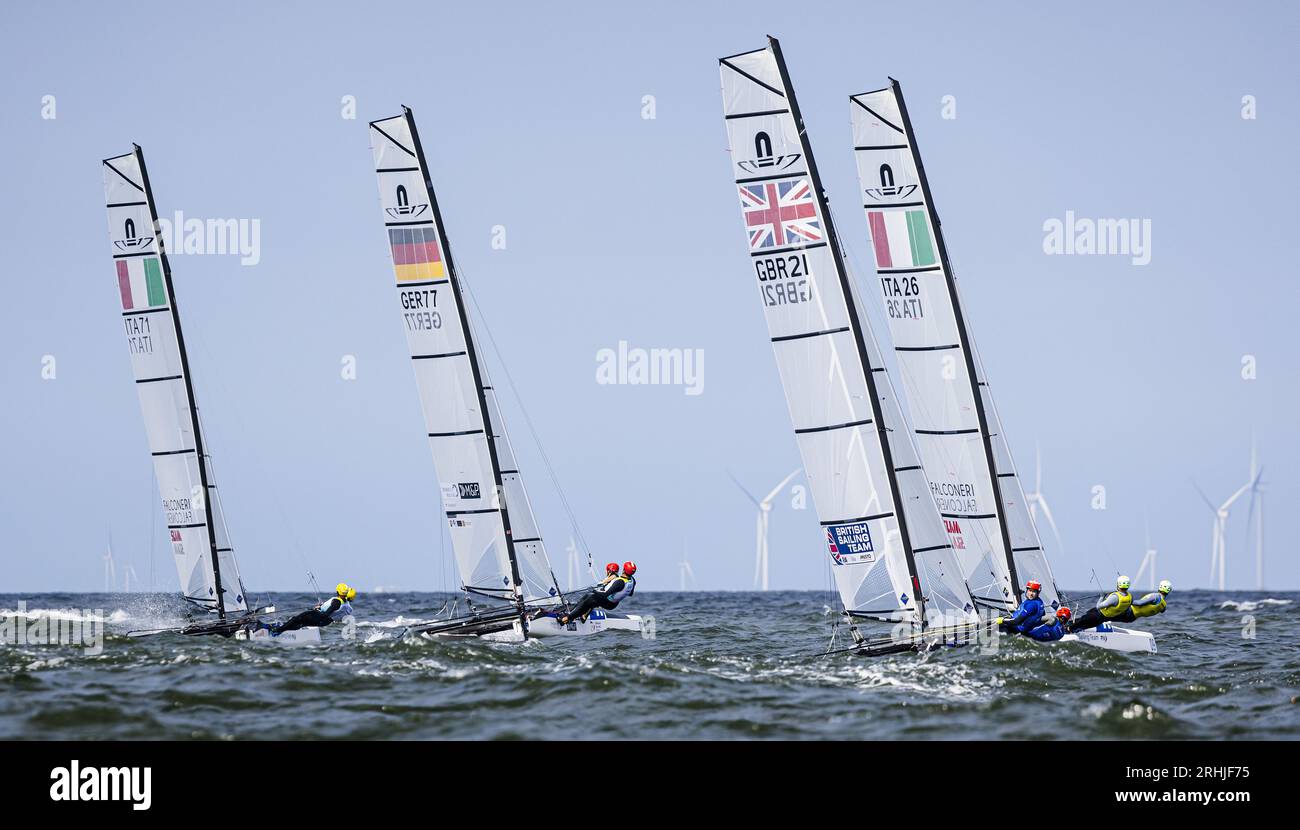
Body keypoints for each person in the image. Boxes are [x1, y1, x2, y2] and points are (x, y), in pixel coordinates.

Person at [258, 582, 356, 636]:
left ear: (338, 591)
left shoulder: (337, 601)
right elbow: (336, 615)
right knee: (299, 623)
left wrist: (318, 609)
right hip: (325, 621)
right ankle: (281, 631)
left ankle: (276, 630)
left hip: (319, 616)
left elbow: (327, 613)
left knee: (295, 619)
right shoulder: (347, 607)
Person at [557, 561, 637, 626]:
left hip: (607, 601)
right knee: (590, 599)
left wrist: (595, 591)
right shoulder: (632, 581)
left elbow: (606, 594)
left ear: (623, 570)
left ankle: (566, 619)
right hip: (613, 604)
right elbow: (630, 593)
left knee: (588, 599)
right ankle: (583, 616)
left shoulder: (620, 582)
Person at [1068, 575, 1133, 632]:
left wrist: (1101, 597)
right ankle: (1071, 627)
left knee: (1081, 621)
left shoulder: (1115, 597)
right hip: (1104, 619)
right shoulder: (1130, 597)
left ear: (1118, 584)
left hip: (1097, 614)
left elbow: (1098, 606)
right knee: (1084, 624)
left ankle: (1068, 629)